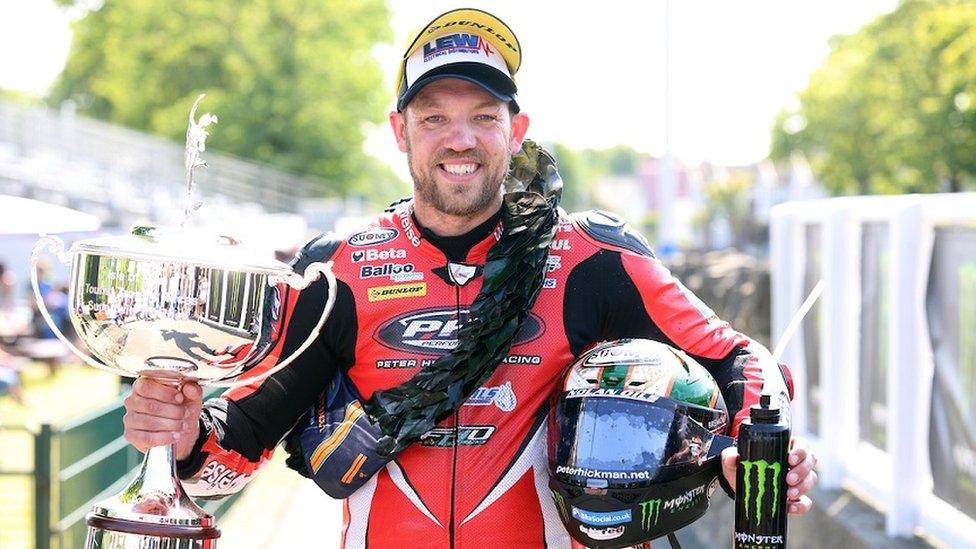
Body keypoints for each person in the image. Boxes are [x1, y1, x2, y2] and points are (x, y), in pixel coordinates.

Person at [122, 8, 817, 547]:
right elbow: (236, 447)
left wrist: (756, 449)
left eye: (484, 116)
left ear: (517, 129)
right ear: (400, 131)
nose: (461, 139)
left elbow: (739, 355)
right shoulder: (336, 271)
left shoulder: (594, 257)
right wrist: (180, 438)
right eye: (435, 118)